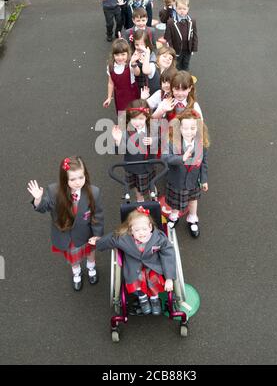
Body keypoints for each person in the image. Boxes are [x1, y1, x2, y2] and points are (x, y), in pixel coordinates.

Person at [27, 156, 104, 291]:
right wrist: (38, 199)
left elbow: (97, 216)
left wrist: (97, 235)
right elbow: (45, 207)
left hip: (86, 233)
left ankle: (91, 267)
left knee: (90, 251)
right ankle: (76, 272)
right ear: (64, 179)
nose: (78, 182)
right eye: (72, 179)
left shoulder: (93, 192)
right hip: (67, 234)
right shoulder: (54, 191)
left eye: (81, 177)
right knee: (73, 256)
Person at [89, 206, 175, 315]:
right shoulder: (124, 238)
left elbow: (168, 254)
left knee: (155, 281)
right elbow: (111, 239)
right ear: (131, 230)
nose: (141, 233)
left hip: (153, 266)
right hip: (134, 267)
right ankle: (143, 299)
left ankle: (154, 299)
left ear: (150, 227)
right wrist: (98, 242)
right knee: (136, 283)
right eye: (137, 230)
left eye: (144, 229)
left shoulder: (158, 238)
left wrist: (169, 278)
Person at [162, 110, 210, 238]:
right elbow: (164, 158)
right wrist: (181, 158)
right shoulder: (172, 143)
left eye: (193, 128)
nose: (189, 131)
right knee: (175, 201)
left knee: (193, 200)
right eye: (185, 128)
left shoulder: (201, 144)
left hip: (193, 180)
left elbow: (204, 163)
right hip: (177, 179)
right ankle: (174, 215)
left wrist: (204, 180)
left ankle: (192, 218)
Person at [112, 99, 157, 203]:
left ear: (147, 116)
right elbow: (118, 151)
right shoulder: (125, 131)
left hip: (149, 165)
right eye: (134, 119)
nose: (137, 122)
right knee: (138, 188)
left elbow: (162, 141)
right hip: (133, 167)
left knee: (152, 184)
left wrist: (153, 141)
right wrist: (117, 141)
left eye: (141, 118)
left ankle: (154, 199)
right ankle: (140, 201)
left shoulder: (153, 128)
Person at [103, 38, 139, 114]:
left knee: (134, 114)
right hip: (119, 96)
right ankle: (122, 125)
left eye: (123, 54)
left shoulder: (130, 64)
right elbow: (110, 83)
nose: (120, 58)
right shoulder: (110, 67)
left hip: (132, 94)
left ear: (128, 54)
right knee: (121, 114)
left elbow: (137, 73)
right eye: (117, 55)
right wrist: (109, 97)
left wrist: (134, 64)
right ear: (113, 55)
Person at [164, 0, 198, 71]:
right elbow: (168, 37)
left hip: (188, 49)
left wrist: (193, 48)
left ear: (188, 9)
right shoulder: (171, 22)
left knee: (186, 64)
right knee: (177, 66)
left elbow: (194, 35)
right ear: (176, 9)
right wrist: (171, 50)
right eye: (179, 9)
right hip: (176, 49)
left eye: (184, 9)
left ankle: (185, 79)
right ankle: (177, 79)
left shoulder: (192, 21)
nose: (182, 11)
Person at [130, 29, 158, 95]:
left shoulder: (151, 54)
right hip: (137, 81)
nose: (139, 47)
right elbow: (137, 73)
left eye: (142, 44)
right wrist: (133, 62)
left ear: (147, 43)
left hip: (148, 82)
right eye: (136, 44)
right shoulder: (133, 54)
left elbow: (148, 71)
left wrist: (146, 60)